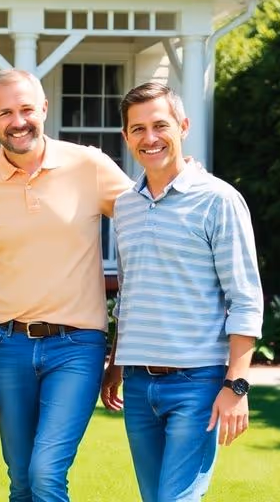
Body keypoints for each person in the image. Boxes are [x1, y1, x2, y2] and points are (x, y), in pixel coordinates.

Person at [0, 68, 133, 501]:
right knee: (20, 479)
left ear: (44, 109)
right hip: (9, 346)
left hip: (77, 346)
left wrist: (183, 177)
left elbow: (149, 213)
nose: (18, 121)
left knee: (46, 472)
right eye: (5, 113)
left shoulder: (89, 165)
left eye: (26, 109)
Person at [100, 82, 263, 502]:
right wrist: (116, 365)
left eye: (160, 125)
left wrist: (237, 385)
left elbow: (245, 298)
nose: (150, 138)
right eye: (138, 129)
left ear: (183, 126)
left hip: (197, 383)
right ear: (126, 137)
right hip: (138, 384)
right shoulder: (125, 206)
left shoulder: (219, 200)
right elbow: (130, 295)